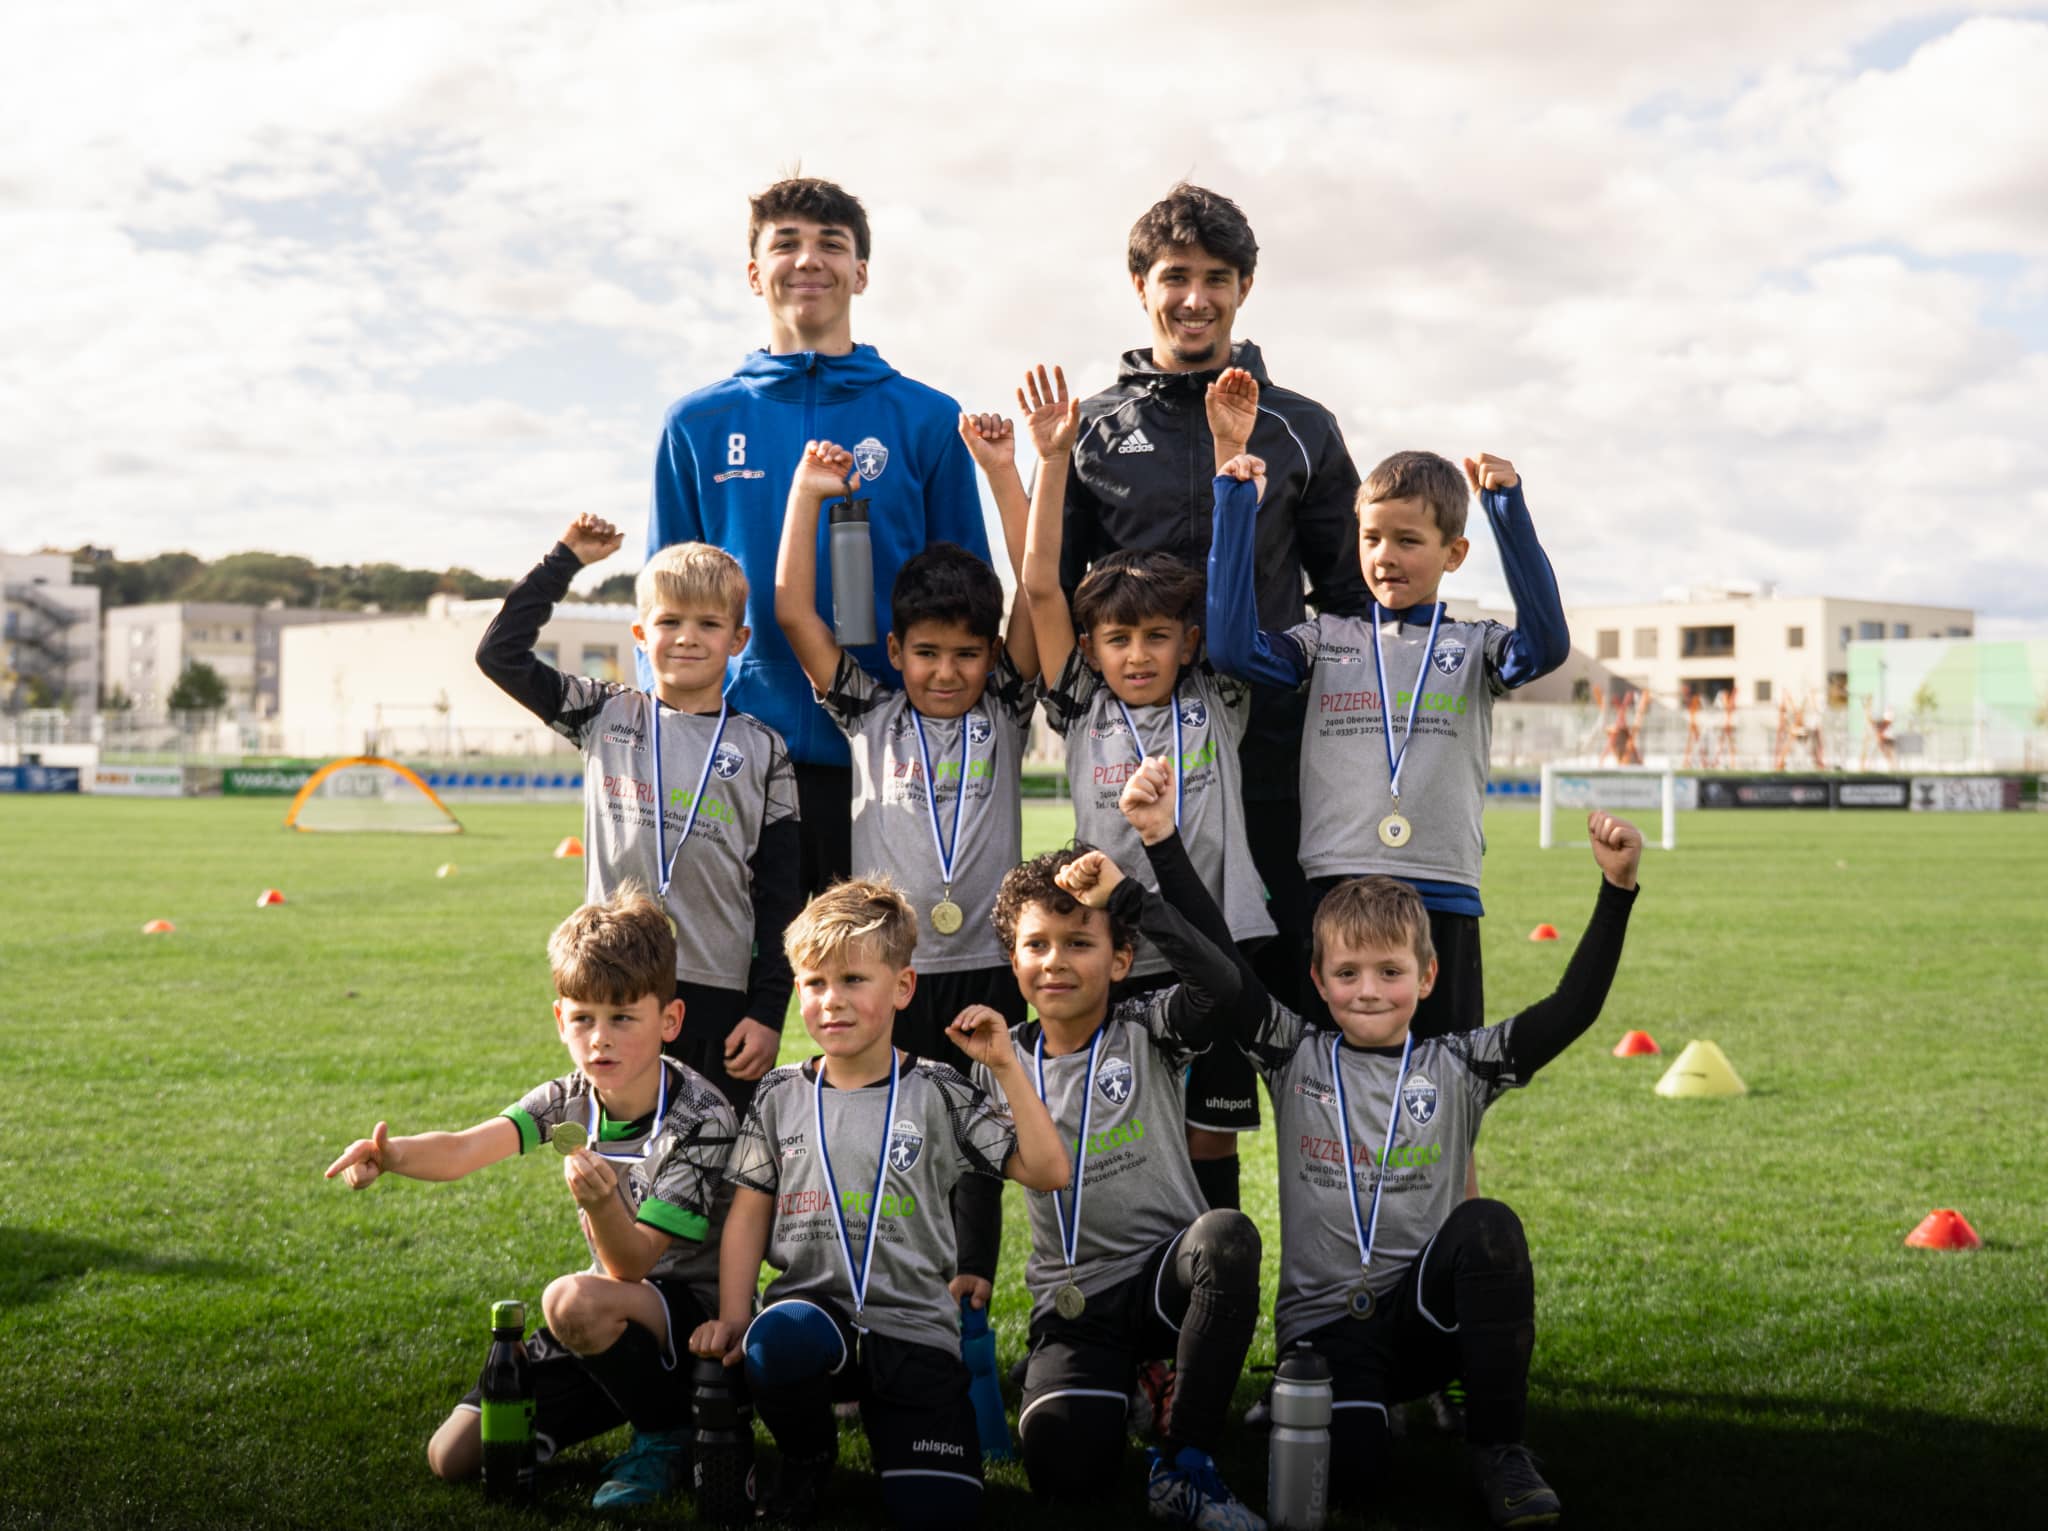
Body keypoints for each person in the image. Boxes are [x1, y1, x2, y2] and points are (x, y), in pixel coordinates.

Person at [1131, 755, 1644, 1527]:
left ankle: (1499, 1447)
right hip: (1325, 1332)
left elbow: (1569, 1010)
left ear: (1428, 975)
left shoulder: (1461, 1062)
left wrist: (1616, 890)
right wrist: (1163, 841)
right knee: (1358, 1476)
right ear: (1319, 976)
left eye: (1389, 970)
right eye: (1346, 972)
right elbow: (1226, 968)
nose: (1368, 988)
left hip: (1420, 1318)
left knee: (1491, 1227)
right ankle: (1317, 1401)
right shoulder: (1293, 1052)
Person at [1054, 182, 1370, 1195]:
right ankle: (1172, 1298)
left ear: (1243, 289)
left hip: (1277, 780)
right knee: (1157, 1065)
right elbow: (1058, 597)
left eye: (1215, 280)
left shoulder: (1302, 427)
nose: (1194, 298)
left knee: (1307, 1041)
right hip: (1134, 797)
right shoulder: (1094, 430)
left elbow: (1349, 597)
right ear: (1139, 285)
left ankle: (1342, 1292)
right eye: (1174, 277)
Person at [324, 890, 737, 1511]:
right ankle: (612, 1396)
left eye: (623, 1018)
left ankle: (668, 1433)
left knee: (570, 1298)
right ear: (559, 1019)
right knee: (454, 1455)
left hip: (689, 1320)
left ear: (669, 1021)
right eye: (583, 1018)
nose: (601, 1039)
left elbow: (632, 1266)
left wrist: (601, 1208)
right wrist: (394, 1156)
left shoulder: (702, 1116)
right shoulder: (568, 1097)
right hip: (608, 1317)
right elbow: (467, 1148)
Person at [644, 175, 990, 900]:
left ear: (860, 272)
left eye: (831, 245)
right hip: (734, 752)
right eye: (787, 244)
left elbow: (972, 601)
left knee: (880, 994)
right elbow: (661, 603)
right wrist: (670, 735)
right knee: (733, 998)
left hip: (888, 755)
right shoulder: (696, 425)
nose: (809, 260)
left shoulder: (927, 418)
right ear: (753, 273)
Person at [687, 877, 1069, 1530]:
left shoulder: (940, 1091)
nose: (830, 1001)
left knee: (938, 1509)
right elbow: (749, 1207)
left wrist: (1007, 1067)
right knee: (773, 1344)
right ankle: (808, 1454)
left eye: (853, 980)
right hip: (816, 1315)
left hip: (914, 1325)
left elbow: (1048, 1168)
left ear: (902, 986)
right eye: (814, 983)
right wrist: (731, 1313)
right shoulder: (779, 1095)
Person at [1204, 403, 1570, 1044]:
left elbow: (1545, 647)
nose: (1386, 557)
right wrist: (1235, 506)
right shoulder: (1325, 640)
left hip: (1442, 893)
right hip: (1338, 890)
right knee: (1332, 1087)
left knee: (1445, 1090)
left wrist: (1507, 514)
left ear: (1454, 553)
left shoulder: (1474, 645)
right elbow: (1234, 649)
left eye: (1408, 540)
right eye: (1372, 539)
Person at [1015, 362, 1274, 1213]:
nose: (1137, 654)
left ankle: (1211, 1301)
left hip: (1217, 941)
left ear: (1188, 640)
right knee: (1120, 1126)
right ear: (1090, 648)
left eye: (1157, 636)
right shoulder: (1080, 699)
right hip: (1110, 949)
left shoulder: (1216, 690)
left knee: (1209, 1129)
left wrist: (1231, 460)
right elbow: (1042, 586)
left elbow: (1232, 594)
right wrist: (1052, 460)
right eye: (1119, 637)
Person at [978, 829, 1265, 1530]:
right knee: (1065, 1471)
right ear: (1013, 960)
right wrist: (968, 1268)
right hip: (1074, 1305)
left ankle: (1184, 1461)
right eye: (1037, 943)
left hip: (1164, 1284)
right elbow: (972, 1173)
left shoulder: (1148, 1026)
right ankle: (1130, 1387)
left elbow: (1222, 984)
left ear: (1121, 958)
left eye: (1080, 942)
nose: (1056, 961)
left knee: (1225, 1238)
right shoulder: (997, 1060)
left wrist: (1128, 896)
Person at [478, 514, 799, 1112]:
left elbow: (780, 896)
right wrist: (565, 560)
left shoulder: (764, 750)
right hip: (614, 986)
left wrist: (766, 1012)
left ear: (738, 640)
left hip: (720, 998)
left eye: (708, 623)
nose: (686, 637)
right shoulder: (604, 713)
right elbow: (499, 654)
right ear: (640, 633)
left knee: (716, 1174)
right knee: (619, 1166)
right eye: (669, 621)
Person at [773, 437, 1037, 1069]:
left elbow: (1038, 590)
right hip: (891, 973)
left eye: (967, 654)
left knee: (983, 1149)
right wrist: (805, 493)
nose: (946, 673)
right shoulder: (869, 714)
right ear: (895, 651)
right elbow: (791, 612)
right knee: (899, 1137)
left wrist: (1003, 472)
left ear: (993, 655)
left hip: (993, 968)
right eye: (926, 654)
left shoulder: (1005, 709)